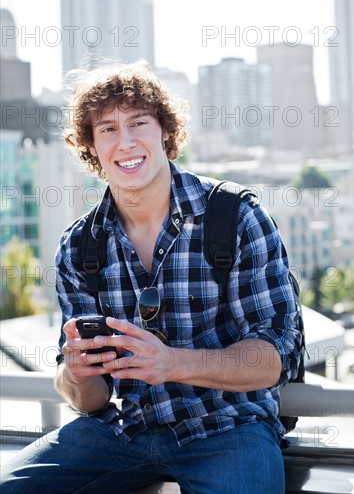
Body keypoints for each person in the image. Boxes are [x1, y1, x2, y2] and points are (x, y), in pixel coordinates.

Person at [1, 61, 302, 494]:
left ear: (164, 130)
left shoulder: (237, 216)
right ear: (91, 146)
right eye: (107, 129)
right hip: (122, 432)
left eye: (138, 122)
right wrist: (76, 372)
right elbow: (92, 400)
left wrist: (172, 362)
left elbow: (274, 358)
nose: (125, 142)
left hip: (228, 429)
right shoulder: (78, 246)